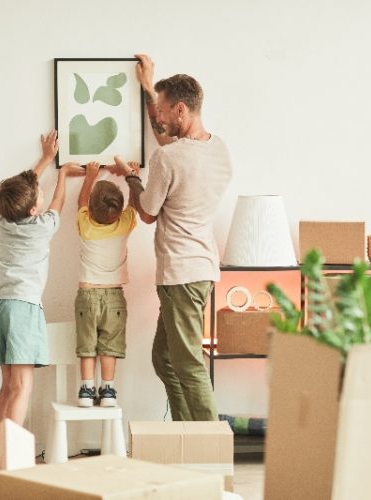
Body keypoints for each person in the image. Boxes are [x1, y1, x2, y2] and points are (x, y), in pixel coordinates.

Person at [108, 54, 233, 421]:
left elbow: (146, 212)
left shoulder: (169, 160)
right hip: (201, 270)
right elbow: (170, 146)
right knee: (164, 359)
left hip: (181, 274)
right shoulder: (219, 150)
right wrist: (149, 88)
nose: (158, 118)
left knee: (189, 364)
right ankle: (184, 434)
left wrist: (130, 177)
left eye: (163, 110)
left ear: (181, 109)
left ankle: (211, 453)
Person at [0, 130, 83, 438]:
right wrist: (63, 174)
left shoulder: (1, 221)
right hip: (23, 308)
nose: (42, 194)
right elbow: (58, 201)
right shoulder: (42, 227)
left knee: (7, 386)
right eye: (37, 195)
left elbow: (25, 188)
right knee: (23, 386)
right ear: (32, 210)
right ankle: (11, 455)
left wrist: (44, 159)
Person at [75, 161, 138, 407]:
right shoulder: (124, 225)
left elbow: (81, 201)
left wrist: (90, 176)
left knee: (87, 344)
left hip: (87, 294)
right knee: (109, 345)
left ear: (91, 210)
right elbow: (135, 205)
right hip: (114, 297)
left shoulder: (85, 225)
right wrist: (133, 176)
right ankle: (108, 390)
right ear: (118, 211)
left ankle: (86, 390)